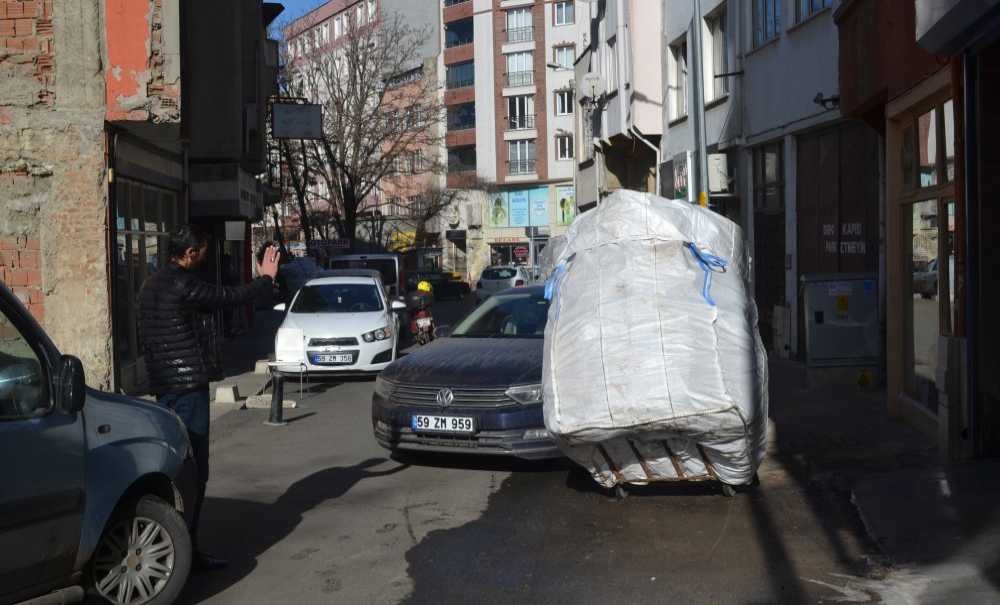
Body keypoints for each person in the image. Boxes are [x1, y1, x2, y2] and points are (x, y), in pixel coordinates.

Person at [138, 226, 279, 571]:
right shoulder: (183, 283)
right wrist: (265, 280)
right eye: (201, 250)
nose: (204, 256)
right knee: (195, 470)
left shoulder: (149, 284)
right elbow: (227, 297)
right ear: (188, 254)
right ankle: (188, 552)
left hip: (164, 386)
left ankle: (173, 547)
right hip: (187, 386)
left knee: (171, 466)